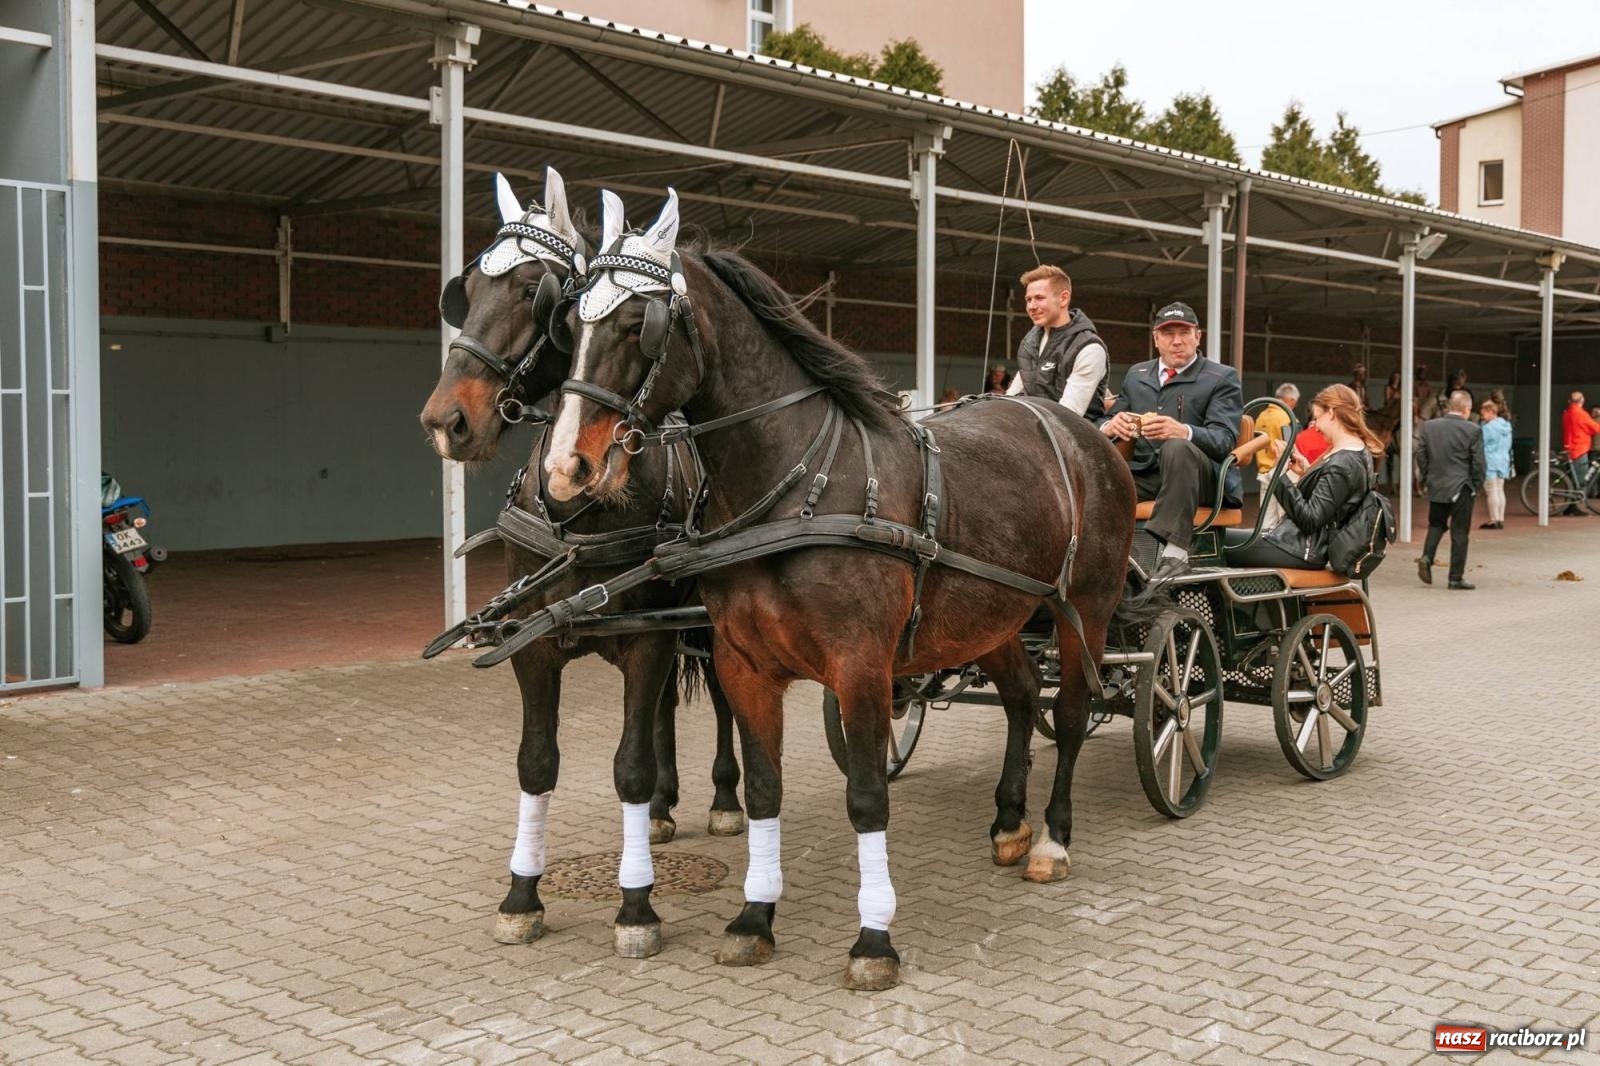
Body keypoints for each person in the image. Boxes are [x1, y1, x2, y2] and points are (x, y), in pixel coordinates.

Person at [1100, 301, 1244, 582]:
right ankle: (1097, 553)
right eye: (1168, 334)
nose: (1177, 341)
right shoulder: (1137, 374)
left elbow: (1225, 440)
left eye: (1184, 333)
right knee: (1100, 478)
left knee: (1177, 447)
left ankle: (1175, 553)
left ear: (1197, 336)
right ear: (1156, 339)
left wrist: (1184, 431)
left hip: (1201, 479)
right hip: (1148, 472)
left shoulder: (1221, 377)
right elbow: (1112, 417)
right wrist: (1109, 425)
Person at [1224, 385, 1382, 569]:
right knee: (1218, 538)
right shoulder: (1355, 451)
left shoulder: (1344, 462)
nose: (1315, 428)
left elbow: (1310, 520)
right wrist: (1307, 471)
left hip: (1301, 548)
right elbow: (1332, 500)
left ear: (1331, 413)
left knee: (1213, 543)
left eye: (1317, 418)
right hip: (1301, 545)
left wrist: (1280, 475)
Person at [1005, 265, 1109, 418]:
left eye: (1039, 298)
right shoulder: (1029, 343)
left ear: (1063, 298)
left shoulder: (1089, 348)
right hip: (1029, 432)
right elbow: (1010, 400)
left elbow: (1068, 416)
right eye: (1028, 300)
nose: (1032, 306)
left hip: (1074, 437)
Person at [1416, 390, 1486, 590]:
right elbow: (1478, 462)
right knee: (1459, 532)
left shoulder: (1429, 427)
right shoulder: (1472, 430)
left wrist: (1427, 477)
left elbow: (1420, 454)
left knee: (1436, 524)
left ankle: (1427, 557)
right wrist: (1475, 485)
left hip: (1437, 485)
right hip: (1461, 486)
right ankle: (1455, 578)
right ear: (1466, 408)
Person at [1561, 391, 1600, 515]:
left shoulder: (1566, 414)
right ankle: (1572, 507)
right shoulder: (1581, 414)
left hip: (1569, 448)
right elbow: (1595, 428)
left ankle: (1569, 507)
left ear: (1569, 401)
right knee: (1580, 479)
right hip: (1580, 449)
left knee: (1572, 479)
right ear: (1582, 401)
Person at [1478, 398, 1512, 530]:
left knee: (1491, 491)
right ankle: (1500, 518)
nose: (1482, 416)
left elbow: (1481, 444)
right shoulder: (1506, 426)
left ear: (1490, 412)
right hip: (1503, 460)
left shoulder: (1488, 428)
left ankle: (1493, 519)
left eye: (1483, 413)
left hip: (1490, 460)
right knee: (1499, 489)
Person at [1255, 383, 1299, 482]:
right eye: (1296, 403)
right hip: (1282, 474)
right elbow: (1295, 449)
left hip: (1263, 475)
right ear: (1291, 401)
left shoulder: (1261, 416)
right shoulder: (1288, 418)